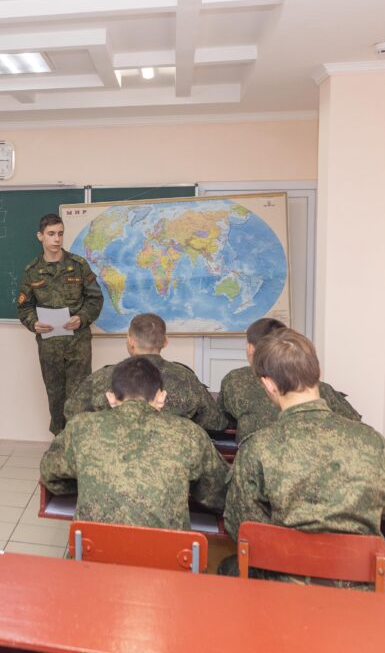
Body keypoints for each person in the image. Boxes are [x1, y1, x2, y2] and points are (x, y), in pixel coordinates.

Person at [221, 329, 385, 589]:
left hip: (282, 585)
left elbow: (240, 525)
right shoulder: (373, 441)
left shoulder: (257, 448)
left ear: (269, 385)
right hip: (364, 589)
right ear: (318, 372)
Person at [40, 356, 227, 530]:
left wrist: (88, 481)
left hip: (93, 550)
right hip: (168, 552)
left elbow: (50, 475)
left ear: (111, 398)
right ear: (161, 397)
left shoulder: (81, 426)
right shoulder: (189, 433)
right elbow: (219, 495)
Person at [63, 313, 228, 431]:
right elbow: (216, 422)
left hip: (109, 459)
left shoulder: (101, 377)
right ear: (165, 342)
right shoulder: (186, 378)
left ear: (130, 342)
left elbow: (71, 413)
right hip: (171, 459)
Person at [17, 213, 104, 435]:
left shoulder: (78, 265)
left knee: (80, 397)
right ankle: (59, 443)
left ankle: (77, 442)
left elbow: (95, 299)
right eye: (51, 234)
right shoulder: (31, 271)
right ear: (40, 236)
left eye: (60, 234)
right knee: (55, 397)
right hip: (50, 346)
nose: (57, 239)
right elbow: (24, 307)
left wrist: (81, 318)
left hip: (78, 345)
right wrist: (34, 323)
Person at [219, 317, 359, 440]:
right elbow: (353, 420)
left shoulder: (235, 380)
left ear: (250, 348)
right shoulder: (318, 388)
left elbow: (220, 421)